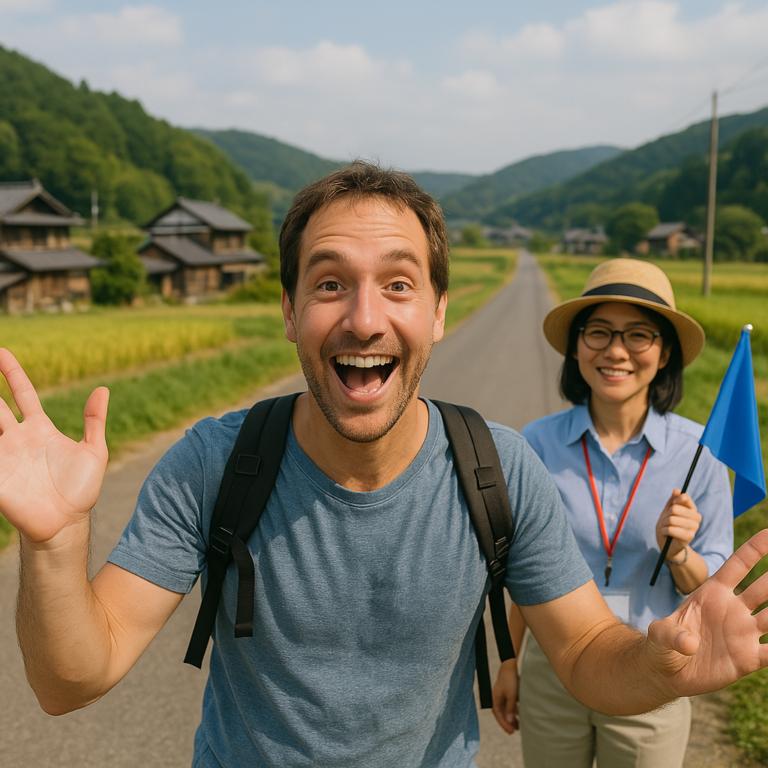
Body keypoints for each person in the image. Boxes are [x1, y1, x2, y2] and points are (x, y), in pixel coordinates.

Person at [1, 163, 767, 768]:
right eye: (329, 283)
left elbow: (589, 653)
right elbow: (70, 680)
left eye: (398, 284)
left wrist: (659, 665)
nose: (364, 318)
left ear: (438, 310)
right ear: (289, 309)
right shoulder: (214, 463)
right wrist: (55, 543)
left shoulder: (498, 468)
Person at [491, 258, 734, 768]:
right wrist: (510, 662)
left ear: (664, 352)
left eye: (638, 335)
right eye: (598, 332)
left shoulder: (698, 455)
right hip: (552, 673)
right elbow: (522, 570)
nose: (616, 351)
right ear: (577, 345)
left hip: (653, 673)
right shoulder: (535, 443)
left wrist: (680, 554)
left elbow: (710, 587)